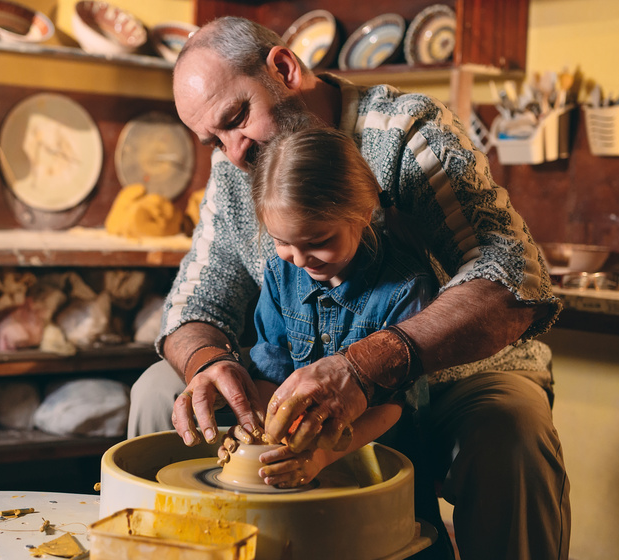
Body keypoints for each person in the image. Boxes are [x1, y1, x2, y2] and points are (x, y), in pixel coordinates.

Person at [128, 16, 570, 560]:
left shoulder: (407, 131)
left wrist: (364, 366)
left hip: (457, 375)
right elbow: (195, 303)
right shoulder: (235, 167)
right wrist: (206, 364)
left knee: (512, 428)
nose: (232, 151)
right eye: (212, 139)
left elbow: (513, 276)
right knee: (161, 390)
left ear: (285, 69)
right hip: (305, 374)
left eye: (237, 118)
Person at [237, 126, 437, 490]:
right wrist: (268, 435)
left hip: (384, 461)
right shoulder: (280, 275)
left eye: (318, 241)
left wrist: (323, 454)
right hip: (305, 451)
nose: (298, 259)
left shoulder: (405, 287)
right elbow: (271, 373)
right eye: (282, 242)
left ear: (361, 213)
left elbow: (394, 405)